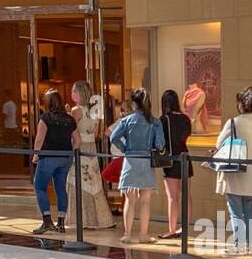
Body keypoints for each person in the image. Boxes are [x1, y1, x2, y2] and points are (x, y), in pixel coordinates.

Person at [110, 88, 166, 245]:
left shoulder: (127, 120)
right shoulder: (155, 122)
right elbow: (160, 143)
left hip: (131, 160)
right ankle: (143, 234)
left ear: (134, 104)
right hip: (146, 161)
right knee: (145, 200)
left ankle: (127, 234)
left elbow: (114, 137)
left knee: (130, 199)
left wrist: (125, 149)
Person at [215, 86, 252, 252]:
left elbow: (219, 143)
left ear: (241, 103)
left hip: (236, 171)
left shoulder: (234, 122)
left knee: (235, 210)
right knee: (249, 209)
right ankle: (249, 244)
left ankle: (239, 244)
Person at [66, 79, 113, 231]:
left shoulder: (76, 111)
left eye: (74, 91)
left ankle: (81, 219)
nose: (72, 93)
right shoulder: (94, 112)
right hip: (92, 148)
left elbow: (70, 130)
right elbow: (96, 133)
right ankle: (99, 219)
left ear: (79, 93)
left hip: (79, 147)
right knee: (93, 182)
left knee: (77, 181)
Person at [31, 89, 79, 236]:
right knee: (60, 189)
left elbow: (39, 138)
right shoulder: (70, 119)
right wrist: (71, 153)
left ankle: (47, 221)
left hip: (48, 157)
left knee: (40, 187)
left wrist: (35, 155)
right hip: (65, 157)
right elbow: (78, 141)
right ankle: (61, 223)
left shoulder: (46, 118)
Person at [159, 88, 193, 239]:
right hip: (185, 157)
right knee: (186, 194)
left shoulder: (164, 119)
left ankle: (172, 230)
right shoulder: (186, 118)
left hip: (171, 160)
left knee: (172, 197)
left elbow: (161, 141)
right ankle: (185, 228)